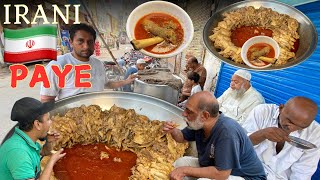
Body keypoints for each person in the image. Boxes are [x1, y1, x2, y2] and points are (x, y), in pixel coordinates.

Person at [163, 91, 266, 180]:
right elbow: (181, 137)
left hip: (244, 177)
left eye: (189, 112)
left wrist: (185, 171)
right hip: (215, 167)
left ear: (205, 115)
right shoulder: (199, 124)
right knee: (180, 164)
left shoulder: (227, 132)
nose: (184, 114)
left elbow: (222, 174)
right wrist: (173, 131)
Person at [40, 23, 136, 101]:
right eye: (80, 41)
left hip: (98, 115)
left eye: (90, 42)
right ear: (71, 42)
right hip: (71, 121)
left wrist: (126, 81)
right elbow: (47, 99)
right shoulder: (57, 65)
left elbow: (106, 84)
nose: (86, 46)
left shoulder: (98, 64)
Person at [242, 96, 320, 180]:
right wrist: (262, 134)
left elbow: (303, 172)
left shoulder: (315, 133)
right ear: (281, 108)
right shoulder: (262, 112)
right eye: (289, 121)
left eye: (301, 127)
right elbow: (238, 146)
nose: (291, 128)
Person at [0, 97, 66, 179]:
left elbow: (44, 152)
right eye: (48, 119)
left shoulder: (25, 139)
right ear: (37, 124)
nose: (51, 122)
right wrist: (51, 161)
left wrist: (48, 142)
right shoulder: (19, 153)